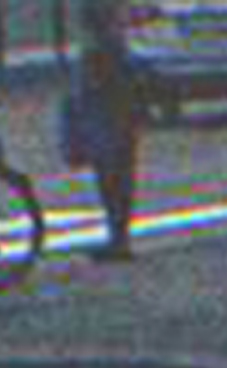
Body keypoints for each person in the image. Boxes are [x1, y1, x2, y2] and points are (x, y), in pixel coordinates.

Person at [79, 0, 145, 261]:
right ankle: (119, 236)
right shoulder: (114, 46)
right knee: (119, 171)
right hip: (118, 108)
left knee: (111, 172)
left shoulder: (102, 49)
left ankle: (118, 238)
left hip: (109, 109)